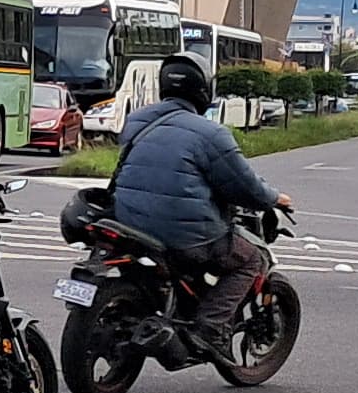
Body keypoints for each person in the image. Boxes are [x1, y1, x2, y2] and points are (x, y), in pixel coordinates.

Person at [104, 54, 286, 337]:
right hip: (184, 236)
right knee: (252, 259)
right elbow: (246, 186)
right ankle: (211, 326)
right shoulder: (211, 134)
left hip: (129, 223)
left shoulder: (136, 121)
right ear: (203, 89)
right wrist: (274, 198)